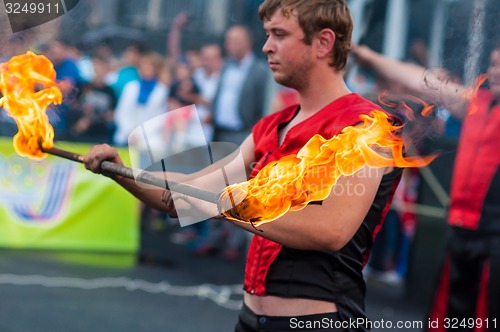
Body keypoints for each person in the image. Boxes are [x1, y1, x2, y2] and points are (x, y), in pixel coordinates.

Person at [83, 1, 404, 330]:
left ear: (323, 42)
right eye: (267, 34)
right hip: (250, 319)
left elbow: (330, 231)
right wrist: (118, 170)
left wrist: (221, 201)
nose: (266, 47)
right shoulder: (271, 126)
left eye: (279, 34)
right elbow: (180, 197)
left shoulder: (367, 126)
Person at [352, 44, 500, 331]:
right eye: (493, 63)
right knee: (444, 320)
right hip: (459, 232)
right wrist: (369, 56)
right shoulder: (475, 103)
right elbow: (420, 80)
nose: (495, 71)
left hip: (495, 241)